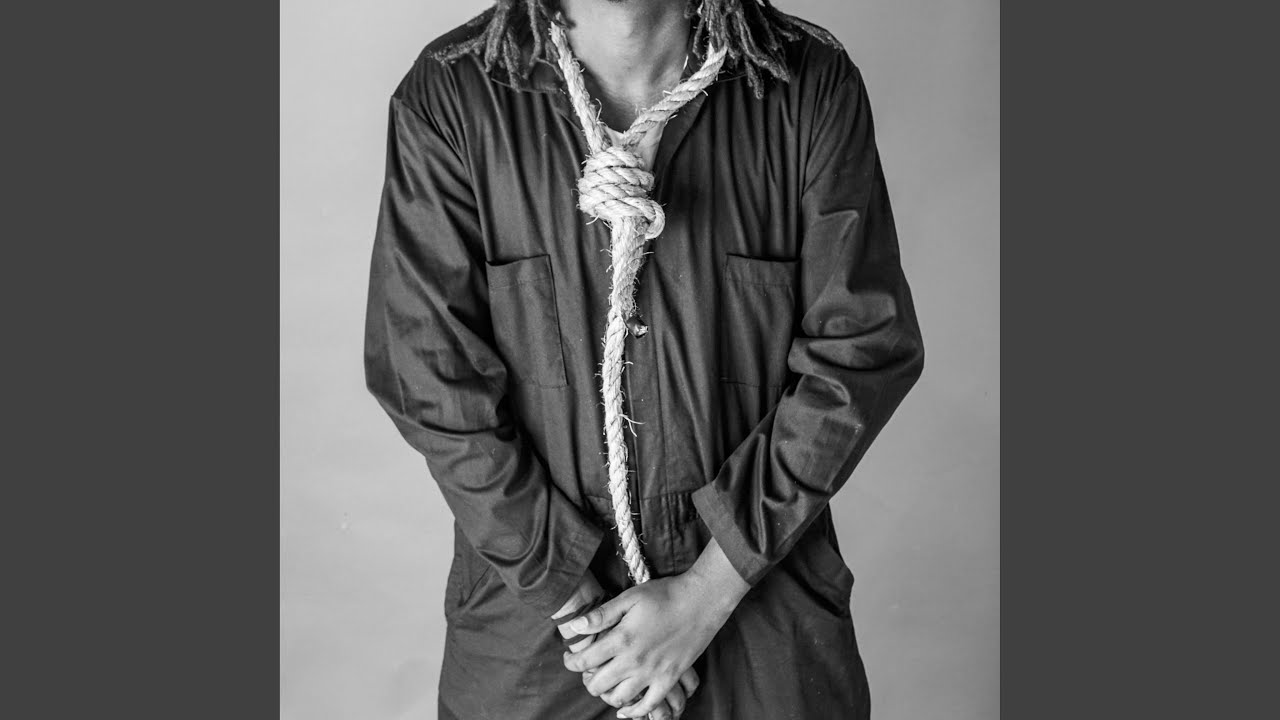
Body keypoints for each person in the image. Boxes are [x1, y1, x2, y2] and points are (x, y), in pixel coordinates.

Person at [363, 1, 924, 718]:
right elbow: (429, 374)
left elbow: (859, 349)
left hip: (760, 612)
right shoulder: (453, 95)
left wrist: (706, 595)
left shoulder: (805, 84)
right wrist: (591, 626)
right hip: (539, 634)